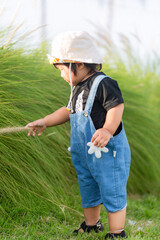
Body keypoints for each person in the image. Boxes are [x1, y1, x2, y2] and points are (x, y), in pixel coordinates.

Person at [26, 31, 131, 239]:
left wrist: (107, 129)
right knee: (88, 187)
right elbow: (68, 111)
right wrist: (45, 121)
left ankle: (117, 231)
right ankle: (92, 224)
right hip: (85, 155)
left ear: (78, 64)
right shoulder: (77, 89)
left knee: (112, 187)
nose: (62, 75)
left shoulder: (104, 83)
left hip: (108, 153)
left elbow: (116, 106)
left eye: (62, 70)